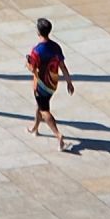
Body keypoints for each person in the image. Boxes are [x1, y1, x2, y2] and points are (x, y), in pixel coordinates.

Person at [26, 17, 75, 150]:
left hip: (40, 84)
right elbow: (63, 66)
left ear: (38, 32)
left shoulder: (36, 51)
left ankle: (58, 135)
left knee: (44, 111)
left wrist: (27, 63)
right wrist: (69, 82)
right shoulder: (55, 47)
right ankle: (35, 127)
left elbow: (32, 68)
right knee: (41, 104)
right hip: (52, 83)